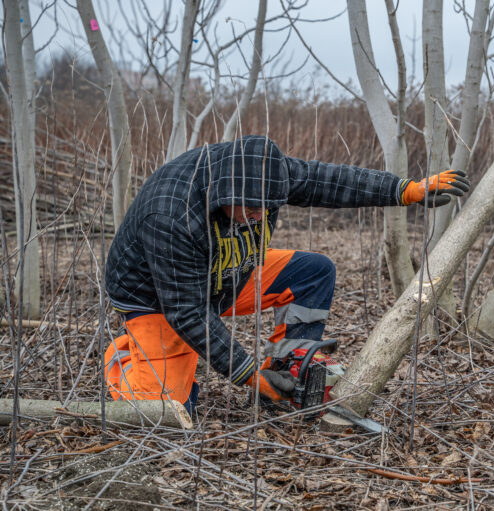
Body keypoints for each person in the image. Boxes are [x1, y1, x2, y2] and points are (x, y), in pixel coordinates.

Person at [104, 135, 469, 413]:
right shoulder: (171, 214)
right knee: (167, 411)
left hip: (228, 275)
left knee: (313, 272)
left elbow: (329, 180)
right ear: (223, 192)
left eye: (268, 207)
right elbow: (186, 311)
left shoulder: (263, 171)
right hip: (157, 297)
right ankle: (122, 358)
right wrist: (247, 374)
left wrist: (405, 190)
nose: (260, 216)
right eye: (250, 208)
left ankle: (286, 368)